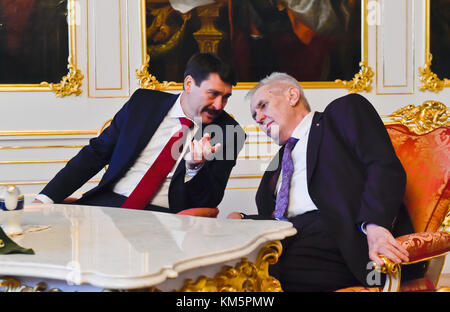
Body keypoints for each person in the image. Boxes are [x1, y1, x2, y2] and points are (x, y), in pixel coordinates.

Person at [227, 72, 419, 291]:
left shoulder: (341, 114)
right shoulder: (278, 162)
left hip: (342, 240)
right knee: (227, 265)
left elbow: (384, 167)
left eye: (263, 105)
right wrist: (242, 218)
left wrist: (375, 226)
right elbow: (278, 217)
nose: (259, 118)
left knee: (253, 274)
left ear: (292, 95)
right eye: (254, 115)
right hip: (288, 238)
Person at [33, 53, 246, 214]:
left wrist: (194, 169)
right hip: (106, 205)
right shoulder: (143, 104)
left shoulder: (228, 133)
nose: (219, 105)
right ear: (189, 83)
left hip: (165, 219)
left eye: (225, 97)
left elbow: (210, 201)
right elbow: (95, 154)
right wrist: (45, 199)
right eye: (213, 94)